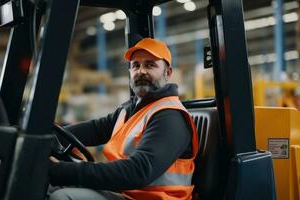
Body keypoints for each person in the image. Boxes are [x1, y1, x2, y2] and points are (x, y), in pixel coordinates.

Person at [48, 38, 198, 200]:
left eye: (150, 65)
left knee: (63, 197)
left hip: (153, 198)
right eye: (135, 65)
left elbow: (138, 171)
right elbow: (95, 129)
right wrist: (47, 138)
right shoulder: (131, 109)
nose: (141, 71)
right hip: (127, 193)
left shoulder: (170, 116)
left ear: (167, 73)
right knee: (50, 188)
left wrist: (61, 170)